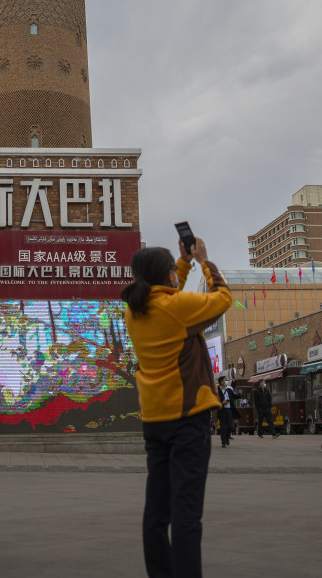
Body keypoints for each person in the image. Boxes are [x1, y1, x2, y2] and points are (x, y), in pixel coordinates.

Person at [123, 235, 232, 578]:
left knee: (157, 513)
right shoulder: (177, 308)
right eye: (172, 271)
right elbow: (223, 298)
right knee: (187, 515)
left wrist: (181, 265)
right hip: (188, 420)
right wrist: (204, 261)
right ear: (167, 276)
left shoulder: (134, 310)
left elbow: (169, 296)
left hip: (155, 420)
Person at [216, 376, 235, 448]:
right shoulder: (217, 390)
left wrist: (239, 394)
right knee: (223, 427)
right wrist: (222, 402)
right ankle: (223, 442)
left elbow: (234, 396)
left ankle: (227, 438)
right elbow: (215, 399)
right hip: (222, 410)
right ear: (221, 382)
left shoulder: (228, 389)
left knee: (230, 426)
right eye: (225, 380)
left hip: (229, 409)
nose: (226, 381)